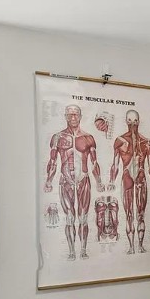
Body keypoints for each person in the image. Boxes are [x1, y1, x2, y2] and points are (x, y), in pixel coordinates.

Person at [44, 104, 105, 259]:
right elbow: (53, 162)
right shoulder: (57, 138)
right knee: (70, 217)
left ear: (80, 116)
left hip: (84, 180)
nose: (73, 118)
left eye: (76, 114)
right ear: (65, 116)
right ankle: (72, 252)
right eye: (70, 115)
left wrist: (98, 181)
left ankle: (83, 250)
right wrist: (48, 181)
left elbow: (94, 163)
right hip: (66, 181)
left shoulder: (88, 138)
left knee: (83, 217)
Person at [109, 109, 150, 254]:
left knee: (141, 214)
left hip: (141, 178)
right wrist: (112, 180)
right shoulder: (119, 141)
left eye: (135, 121)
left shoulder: (146, 142)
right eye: (130, 121)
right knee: (129, 215)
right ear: (126, 121)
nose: (132, 124)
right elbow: (115, 163)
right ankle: (131, 247)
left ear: (139, 122)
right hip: (127, 178)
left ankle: (140, 245)